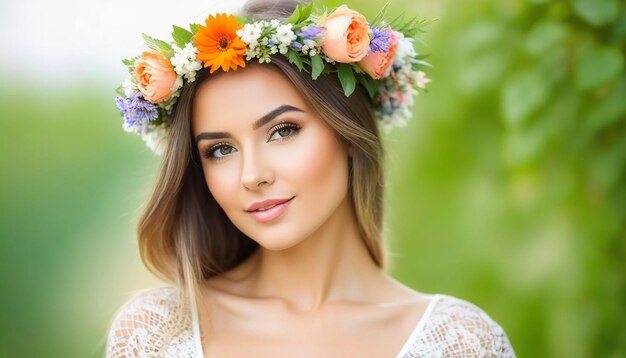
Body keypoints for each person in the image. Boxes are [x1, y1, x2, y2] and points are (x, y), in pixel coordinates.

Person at [106, 0, 516, 356]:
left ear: (348, 132)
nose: (253, 176)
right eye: (221, 150)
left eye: (283, 130)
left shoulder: (462, 343)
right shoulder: (153, 334)